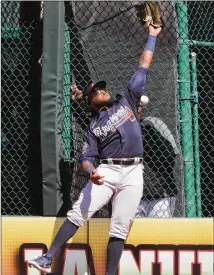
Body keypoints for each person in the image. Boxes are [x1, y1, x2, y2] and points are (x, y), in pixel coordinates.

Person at [28, 25, 162, 274]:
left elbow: (144, 64)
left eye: (103, 87)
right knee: (79, 212)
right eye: (96, 91)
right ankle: (47, 258)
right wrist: (91, 172)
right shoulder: (93, 127)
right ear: (90, 102)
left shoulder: (128, 100)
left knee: (120, 227)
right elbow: (87, 158)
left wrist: (152, 36)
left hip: (134, 172)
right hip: (108, 171)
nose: (102, 90)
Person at [135, 116, 179, 218]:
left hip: (160, 196)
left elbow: (171, 153)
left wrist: (150, 136)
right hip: (134, 196)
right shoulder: (121, 128)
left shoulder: (152, 123)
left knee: (160, 233)